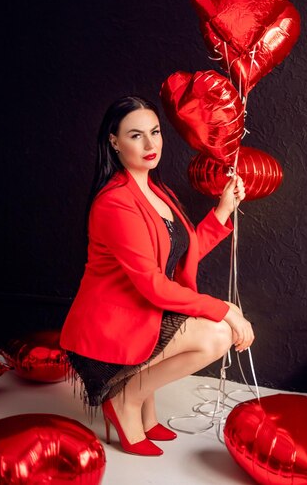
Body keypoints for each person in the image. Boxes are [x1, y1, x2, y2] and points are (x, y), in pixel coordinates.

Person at [60, 95, 254, 457]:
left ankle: (141, 406)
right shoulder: (115, 201)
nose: (151, 145)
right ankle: (125, 401)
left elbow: (182, 254)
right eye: (136, 136)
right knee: (217, 333)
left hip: (143, 309)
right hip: (113, 322)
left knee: (215, 329)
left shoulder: (156, 190)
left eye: (155, 132)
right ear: (114, 142)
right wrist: (224, 308)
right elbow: (152, 283)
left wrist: (223, 211)